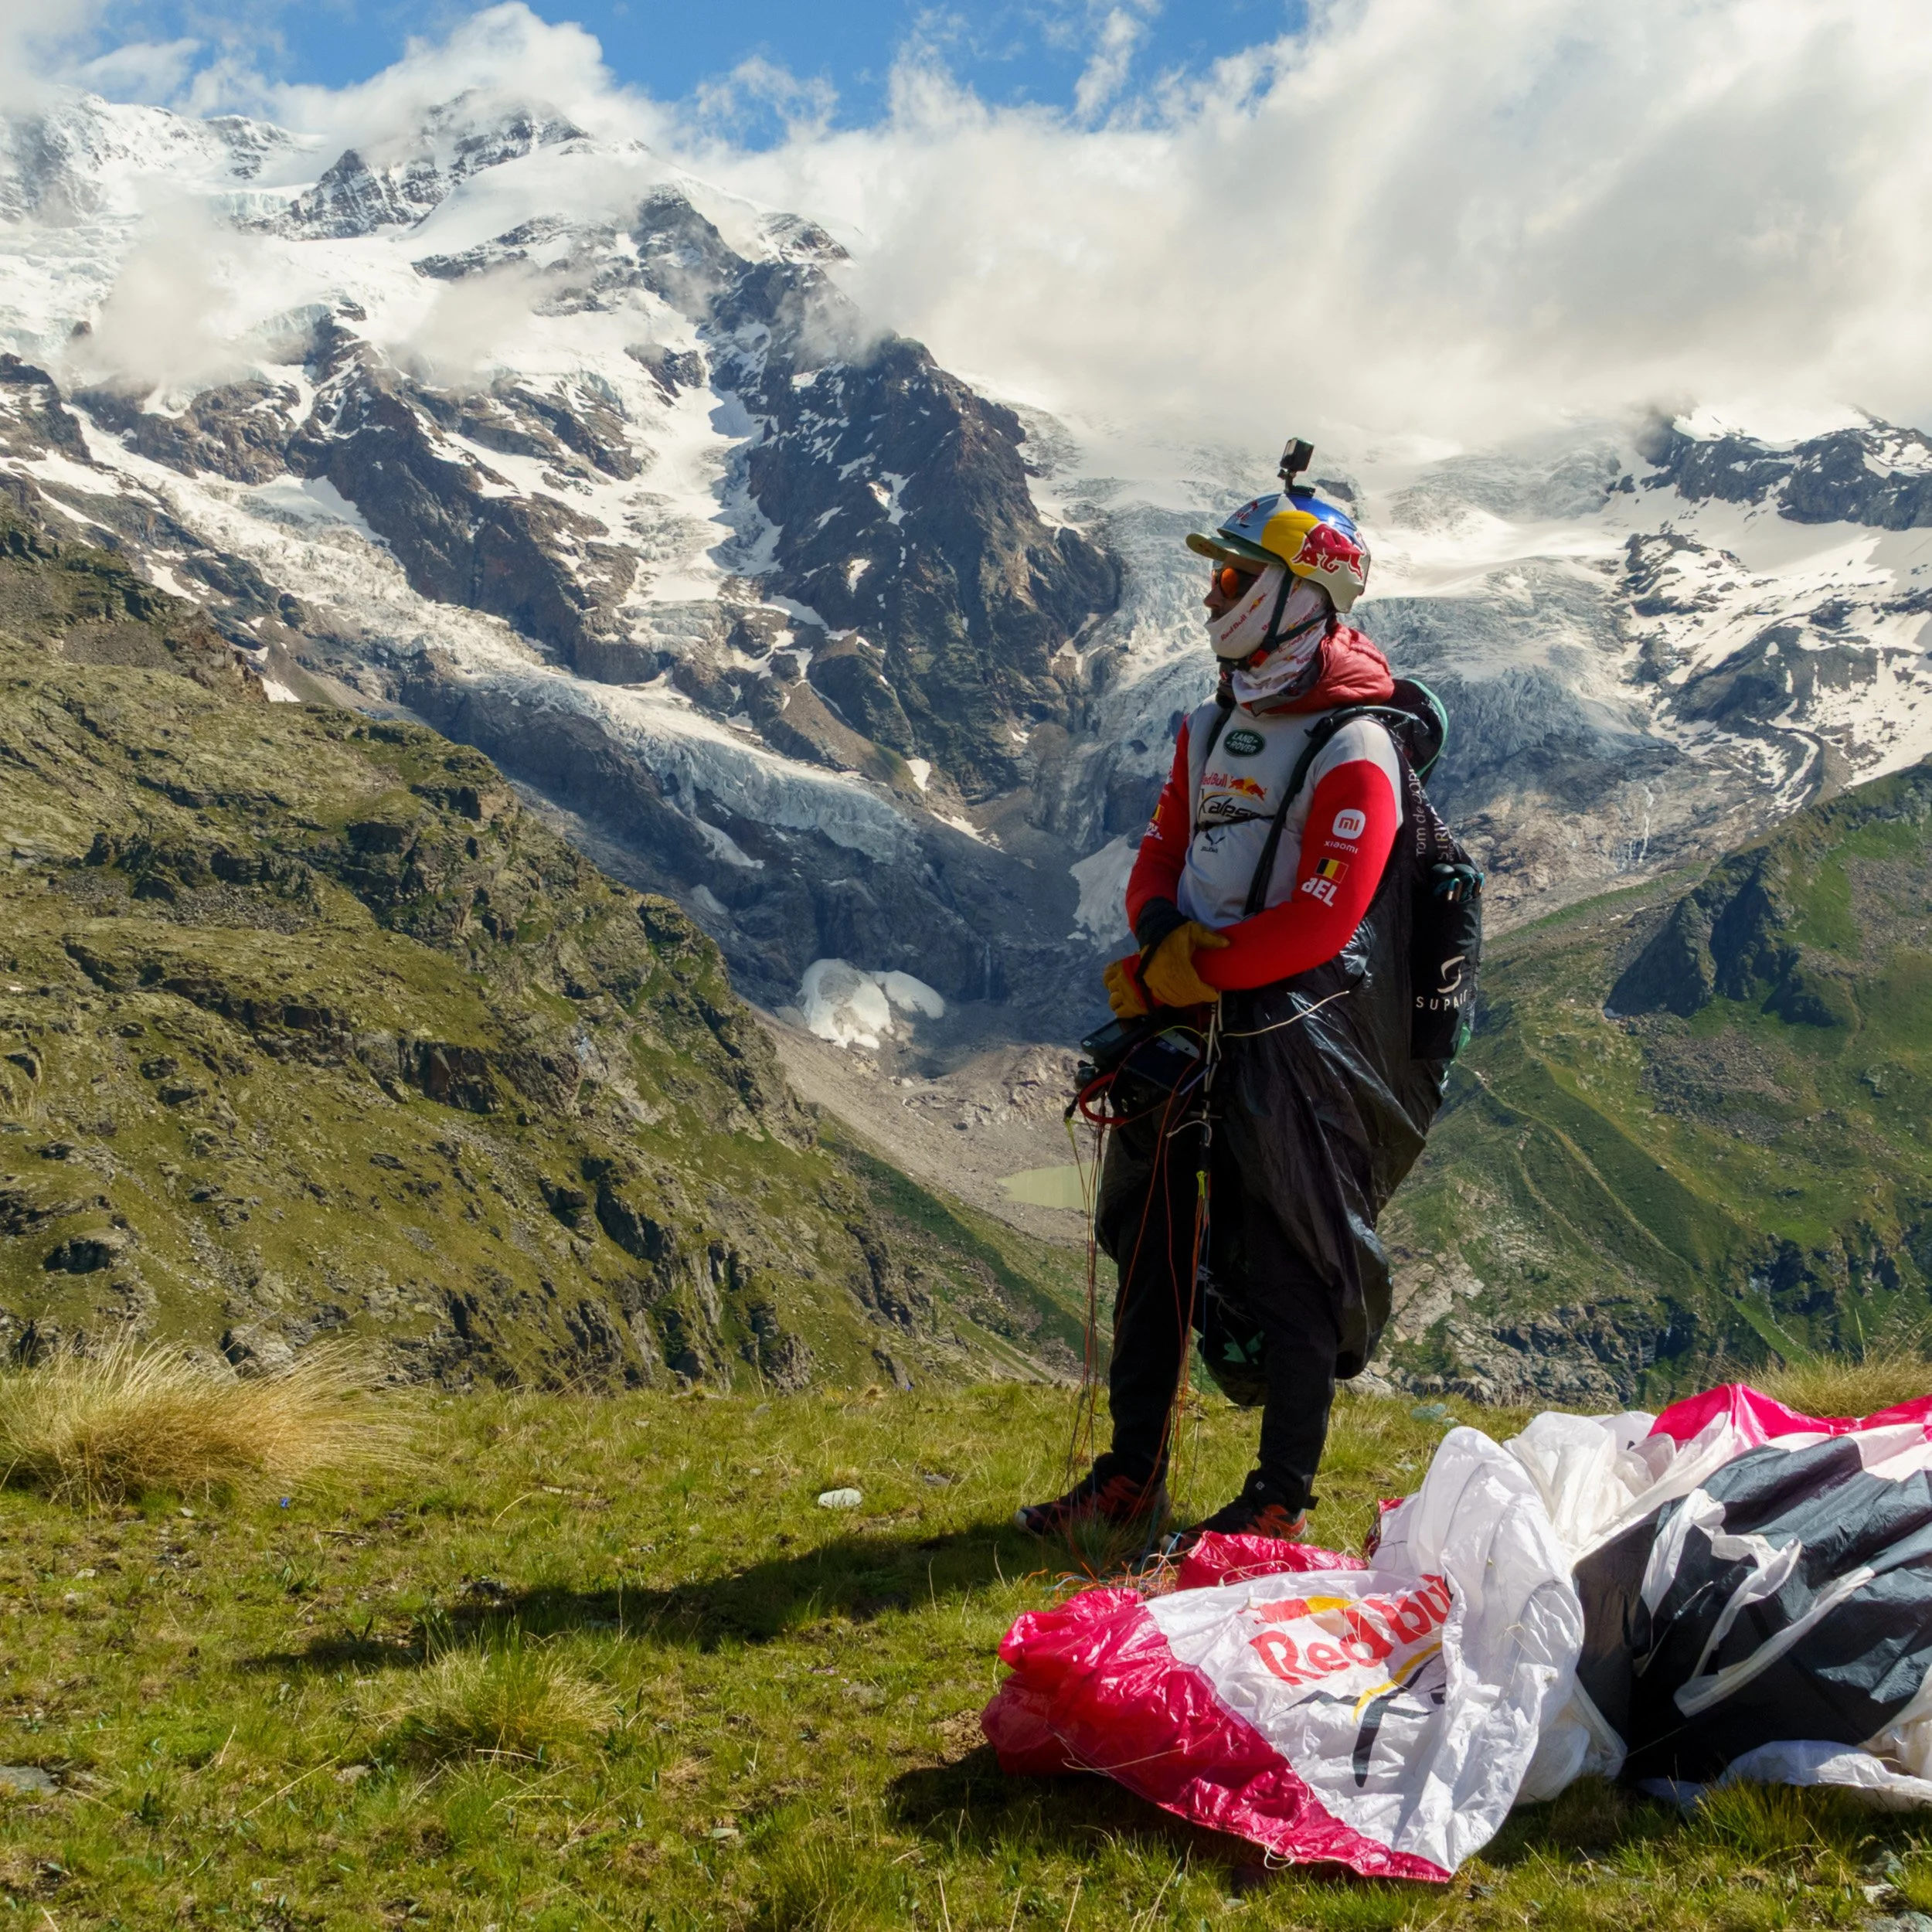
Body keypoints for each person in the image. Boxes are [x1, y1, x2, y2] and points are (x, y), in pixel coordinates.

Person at [1019, 451, 1468, 1547]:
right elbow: (1160, 854)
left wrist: (1191, 969)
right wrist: (1166, 938)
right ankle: (1132, 1476)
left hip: (1292, 1038)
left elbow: (1326, 915)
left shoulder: (1357, 745)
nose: (1213, 599)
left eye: (1232, 582)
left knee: (1289, 1254)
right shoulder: (1211, 725)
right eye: (1216, 583)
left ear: (1297, 595)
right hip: (1190, 1022)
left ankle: (1278, 1498)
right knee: (1152, 1249)